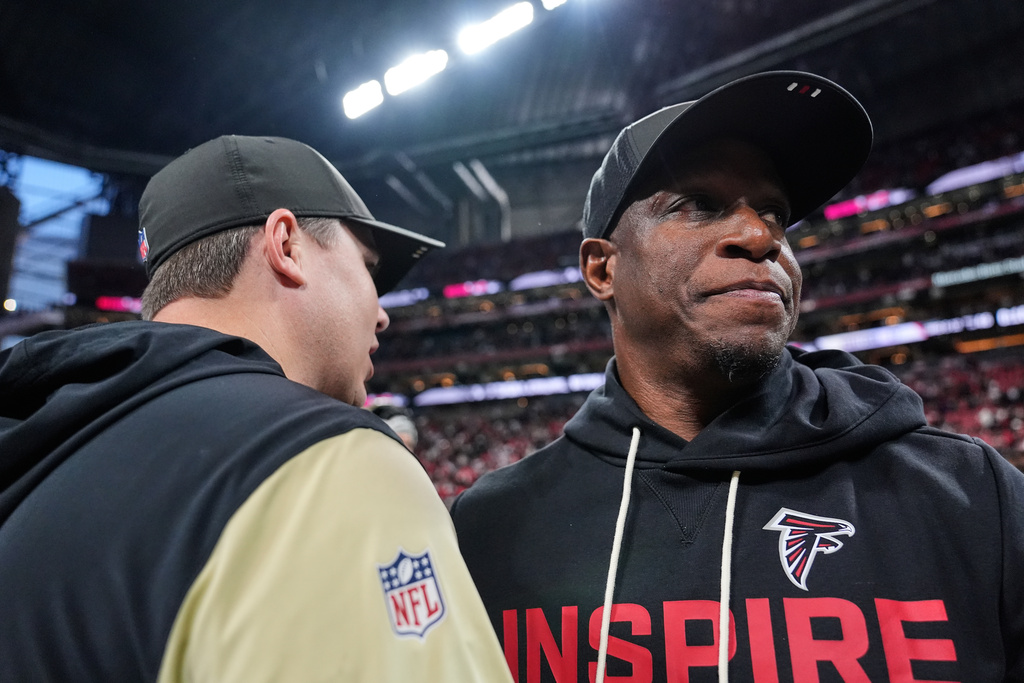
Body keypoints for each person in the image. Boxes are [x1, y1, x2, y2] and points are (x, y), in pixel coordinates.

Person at [450, 72, 1024, 681]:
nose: (760, 236)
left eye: (775, 213)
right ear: (601, 268)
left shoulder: (970, 495)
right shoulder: (486, 532)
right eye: (699, 205)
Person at [0, 135, 514, 682]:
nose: (382, 315)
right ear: (286, 245)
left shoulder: (39, 454)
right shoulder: (334, 462)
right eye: (368, 267)